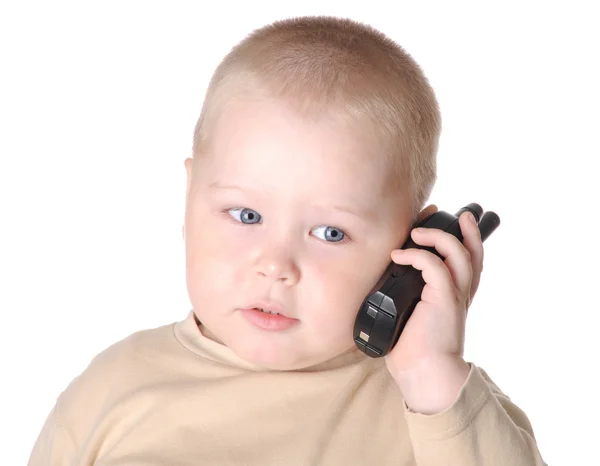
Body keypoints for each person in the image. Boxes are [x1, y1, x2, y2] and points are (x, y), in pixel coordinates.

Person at [29, 15, 546, 465]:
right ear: (188, 199)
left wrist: (430, 373)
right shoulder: (113, 387)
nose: (276, 265)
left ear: (414, 247)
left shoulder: (439, 408)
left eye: (330, 232)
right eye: (247, 214)